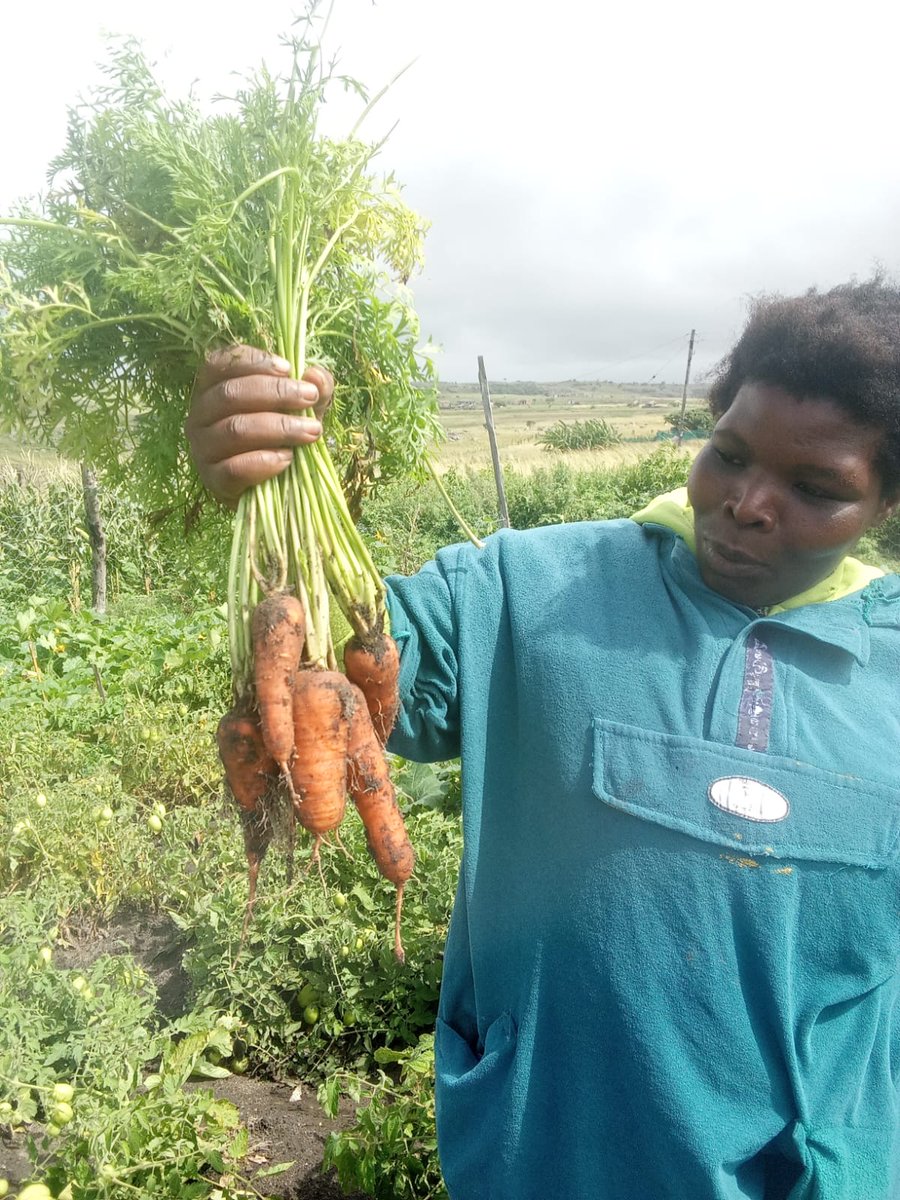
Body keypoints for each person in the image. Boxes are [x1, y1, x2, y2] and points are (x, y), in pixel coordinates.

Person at [186, 279, 900, 1200]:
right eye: (727, 454)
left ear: (884, 503)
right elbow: (354, 660)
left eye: (816, 489)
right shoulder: (529, 591)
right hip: (551, 1160)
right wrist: (267, 481)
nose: (752, 503)